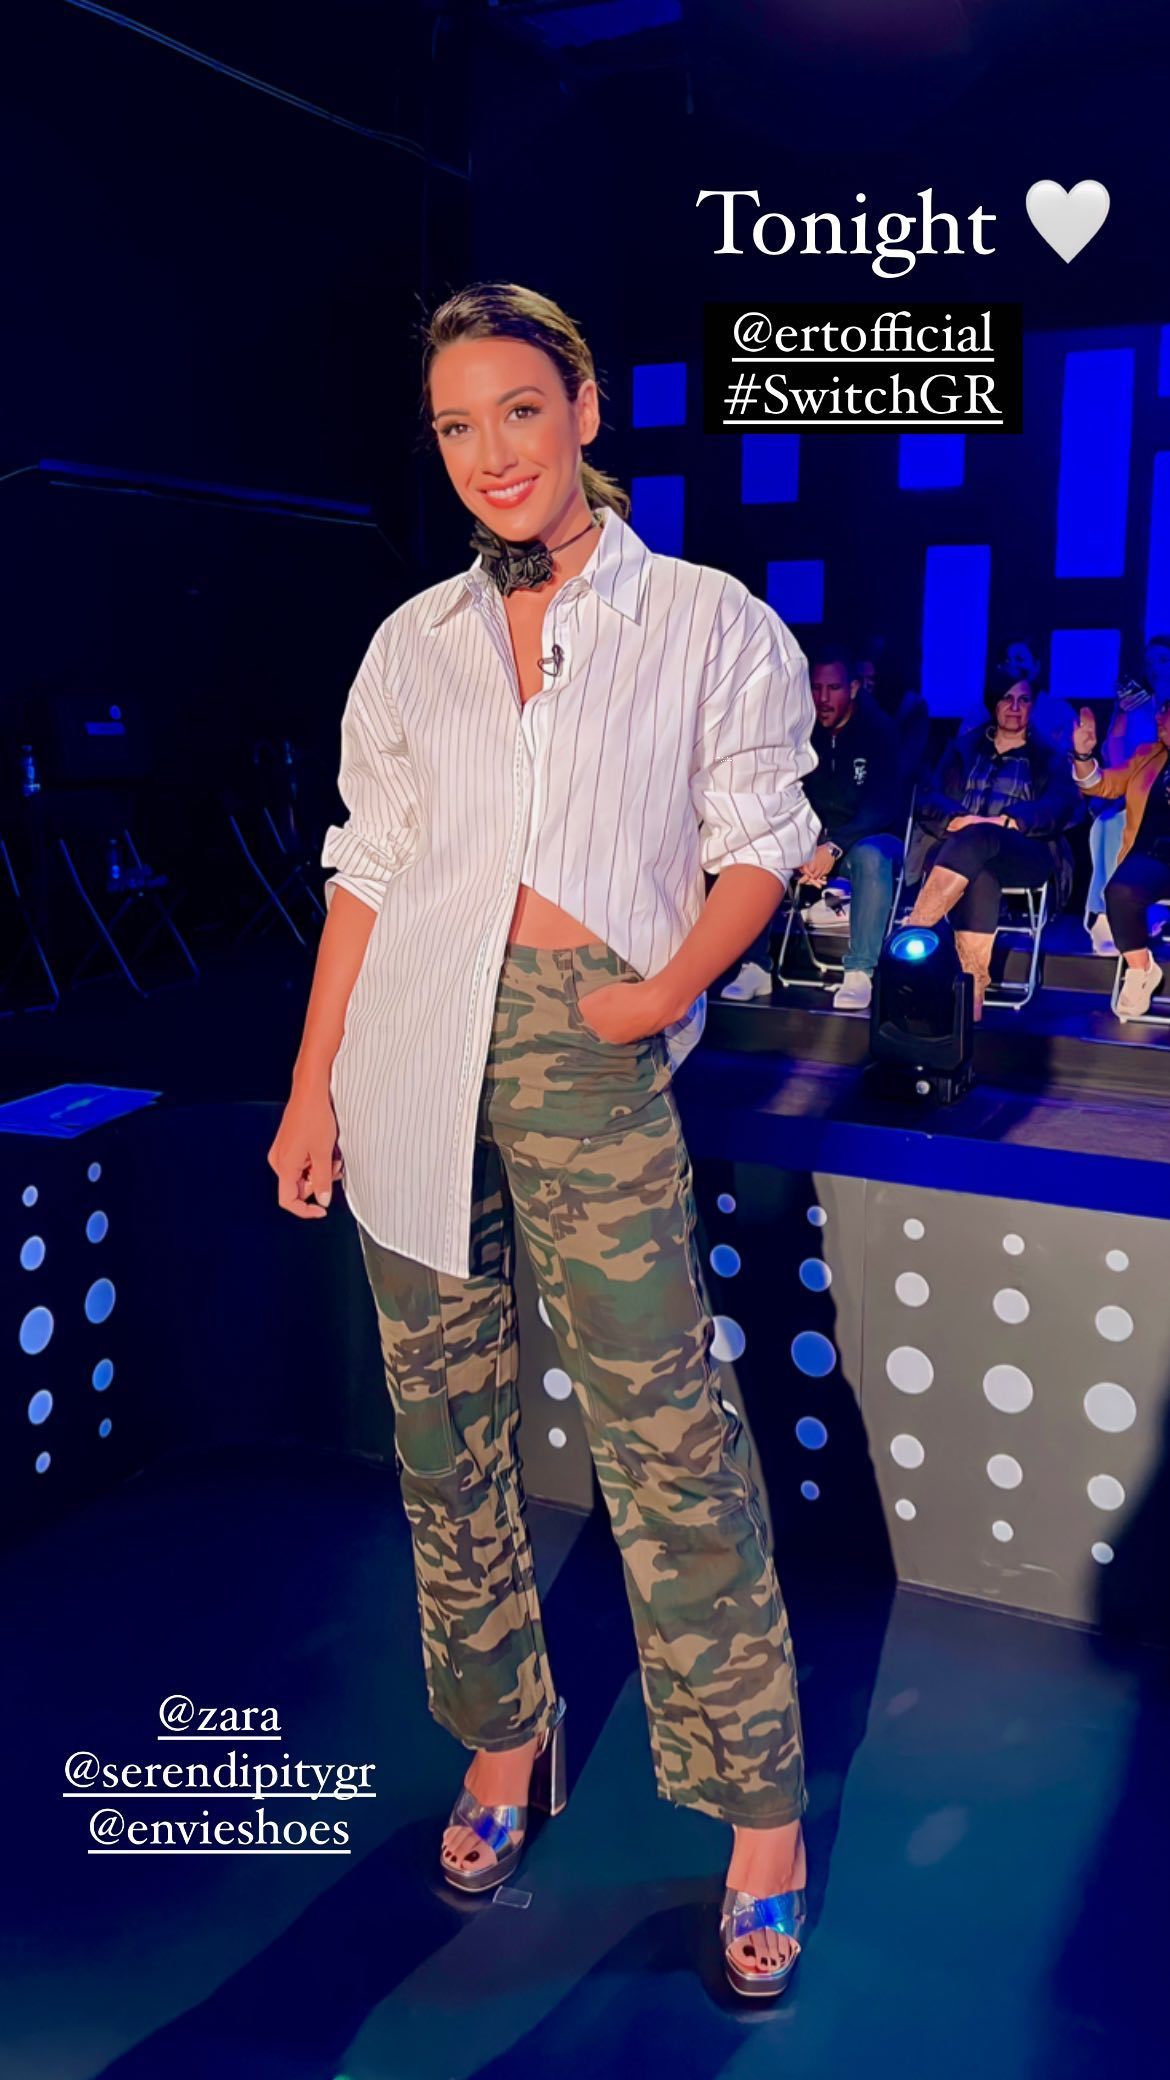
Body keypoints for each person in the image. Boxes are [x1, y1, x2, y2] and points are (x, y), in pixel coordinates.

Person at [267, 283, 819, 1999]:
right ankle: (502, 1740)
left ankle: (761, 1816)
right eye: (456, 425)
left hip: (589, 1044)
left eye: (519, 408)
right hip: (407, 1042)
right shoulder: (412, 642)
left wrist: (658, 990)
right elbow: (366, 872)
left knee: (667, 1439)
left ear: (583, 404)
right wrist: (311, 1083)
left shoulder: (707, 620)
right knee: (443, 1435)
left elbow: (762, 839)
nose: (490, 452)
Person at [723, 644, 905, 1010]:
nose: (822, 698)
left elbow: (883, 806)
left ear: (854, 688)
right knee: (760, 851)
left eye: (833, 688)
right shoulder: (798, 731)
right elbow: (782, 794)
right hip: (813, 839)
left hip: (866, 837)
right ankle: (755, 967)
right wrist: (802, 844)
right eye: (815, 688)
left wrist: (833, 847)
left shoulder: (880, 731)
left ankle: (859, 973)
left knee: (871, 855)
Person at [905, 669, 1083, 1016]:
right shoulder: (963, 749)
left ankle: (914, 930)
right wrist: (955, 819)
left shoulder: (1048, 756)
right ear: (993, 704)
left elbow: (1061, 806)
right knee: (980, 874)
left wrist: (1011, 821)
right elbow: (927, 795)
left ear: (1032, 706)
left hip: (1024, 852)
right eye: (1007, 699)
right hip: (960, 851)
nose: (1015, 707)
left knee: (982, 835)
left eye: (1024, 700)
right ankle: (972, 993)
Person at [1071, 696, 1170, 1020]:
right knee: (1119, 890)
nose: (1159, 718)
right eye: (1160, 712)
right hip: (1156, 856)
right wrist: (1083, 755)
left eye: (1166, 712)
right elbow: (1103, 785)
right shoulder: (1148, 755)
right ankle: (1141, 970)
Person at [1083, 636, 1170, 956]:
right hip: (1133, 793)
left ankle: (1145, 909)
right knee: (1106, 824)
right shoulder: (1137, 706)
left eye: (1163, 660)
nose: (1155, 668)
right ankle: (1105, 910)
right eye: (1150, 662)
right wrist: (1120, 715)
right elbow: (1116, 762)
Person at [959, 636, 1075, 752]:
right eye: (1006, 661)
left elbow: (1071, 753)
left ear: (1036, 666)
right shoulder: (982, 712)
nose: (1012, 665)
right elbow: (964, 750)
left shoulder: (1060, 711)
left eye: (1020, 659)